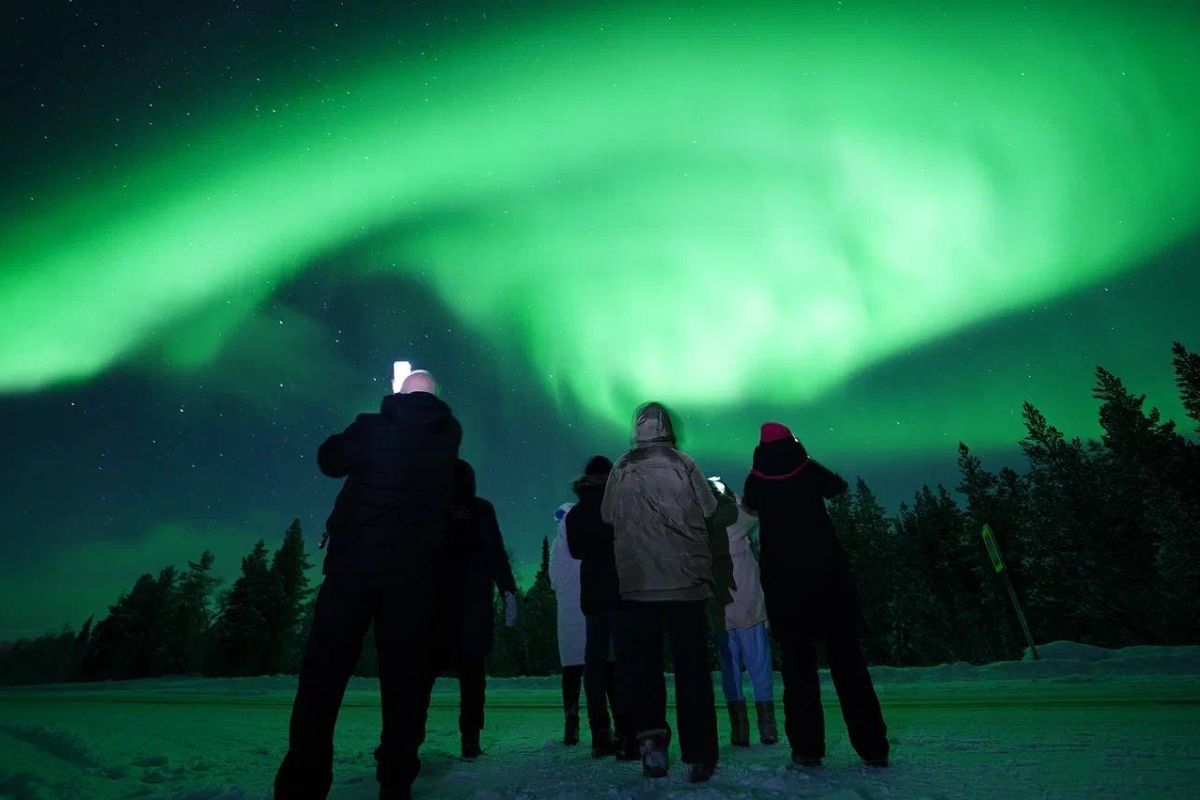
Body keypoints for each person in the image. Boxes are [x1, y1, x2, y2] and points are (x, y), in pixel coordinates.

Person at [275, 369, 461, 800]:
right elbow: (418, 423)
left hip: (353, 569)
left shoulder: (371, 427)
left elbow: (330, 460)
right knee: (404, 682)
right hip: (413, 577)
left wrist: (382, 407)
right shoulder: (448, 435)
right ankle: (396, 780)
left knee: (323, 676)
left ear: (398, 393)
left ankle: (303, 782)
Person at [601, 402, 736, 783]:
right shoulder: (684, 462)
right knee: (692, 669)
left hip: (639, 584)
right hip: (687, 583)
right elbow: (709, 509)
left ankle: (653, 748)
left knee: (645, 670)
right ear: (668, 428)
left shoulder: (622, 466)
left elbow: (608, 515)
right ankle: (700, 755)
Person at [741, 422, 889, 769]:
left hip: (785, 585)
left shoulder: (756, 480)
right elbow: (837, 487)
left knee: (798, 670)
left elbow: (749, 506)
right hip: (829, 580)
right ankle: (873, 747)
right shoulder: (806, 469)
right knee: (850, 666)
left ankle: (807, 748)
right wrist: (804, 455)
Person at [442, 458, 519, 761]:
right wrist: (508, 589)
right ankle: (470, 741)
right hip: (473, 603)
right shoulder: (481, 509)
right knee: (473, 677)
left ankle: (406, 741)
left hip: (437, 605)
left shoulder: (431, 506)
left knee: (419, 676)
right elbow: (495, 551)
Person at [564, 456, 632, 759]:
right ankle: (627, 731)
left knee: (594, 665)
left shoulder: (576, 513)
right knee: (624, 663)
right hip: (621, 590)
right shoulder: (621, 506)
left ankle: (599, 734)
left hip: (592, 592)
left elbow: (577, 551)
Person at [708, 485, 778, 747]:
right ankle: (767, 727)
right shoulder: (736, 520)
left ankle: (740, 730)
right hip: (749, 606)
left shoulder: (701, 528)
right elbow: (756, 509)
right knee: (759, 665)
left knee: (730, 671)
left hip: (720, 610)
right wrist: (733, 496)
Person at [549, 501, 585, 746]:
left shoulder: (556, 546)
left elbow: (553, 580)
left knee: (571, 672)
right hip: (590, 611)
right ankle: (605, 726)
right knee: (598, 670)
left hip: (567, 616)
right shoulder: (586, 540)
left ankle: (570, 726)